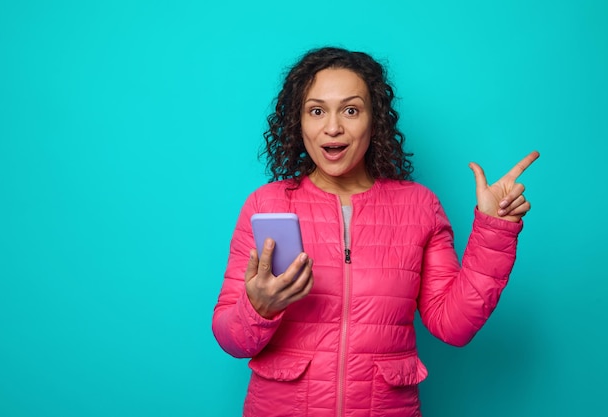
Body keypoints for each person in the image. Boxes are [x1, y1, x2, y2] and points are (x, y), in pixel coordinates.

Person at [212, 46, 539, 417]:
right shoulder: (266, 205)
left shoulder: (419, 206)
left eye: (351, 110)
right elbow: (231, 338)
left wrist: (495, 230)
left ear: (375, 120)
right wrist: (258, 307)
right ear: (298, 122)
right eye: (316, 111)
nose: (332, 127)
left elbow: (454, 326)